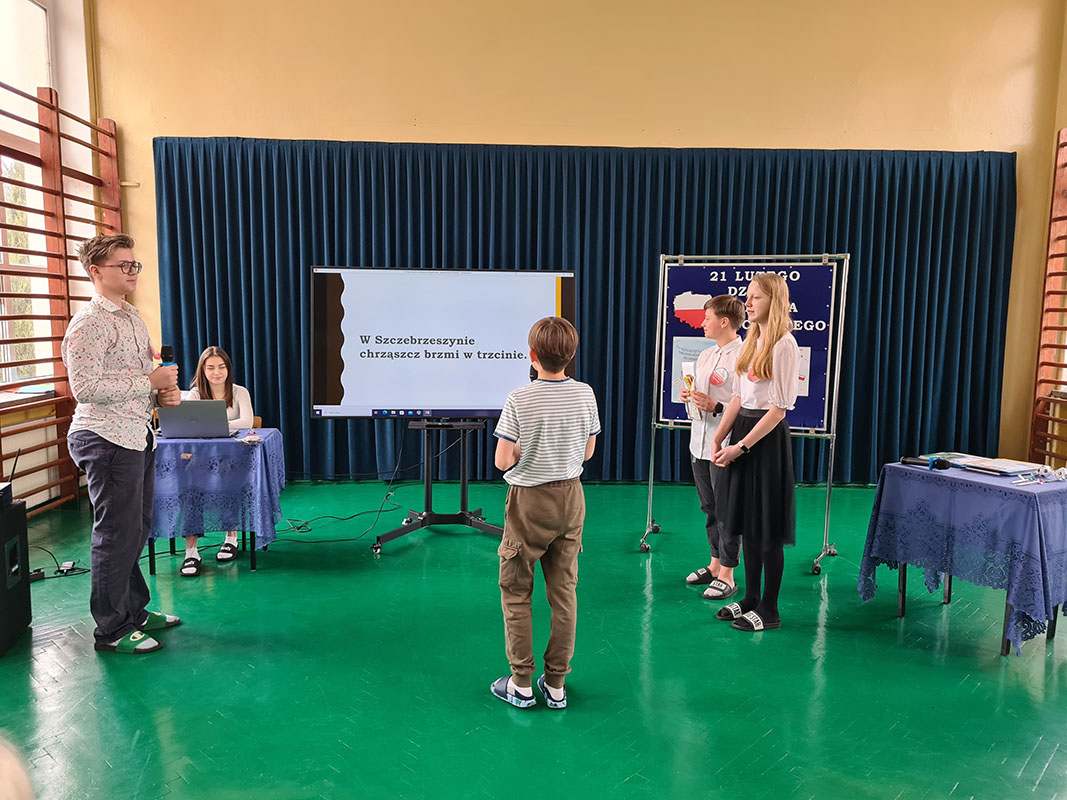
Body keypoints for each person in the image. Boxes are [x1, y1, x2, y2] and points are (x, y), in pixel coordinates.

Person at [62, 234, 182, 654]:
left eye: (135, 265)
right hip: (104, 436)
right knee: (115, 533)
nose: (133, 272)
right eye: (123, 265)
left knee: (136, 529)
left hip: (136, 434)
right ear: (96, 271)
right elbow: (85, 388)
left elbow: (139, 379)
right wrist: (148, 382)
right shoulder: (88, 323)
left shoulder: (132, 318)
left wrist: (161, 394)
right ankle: (111, 630)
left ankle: (134, 611)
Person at [490, 317, 600, 709]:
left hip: (528, 503)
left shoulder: (519, 398)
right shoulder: (585, 394)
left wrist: (527, 447)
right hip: (571, 499)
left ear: (532, 355)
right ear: (571, 355)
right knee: (564, 593)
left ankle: (520, 683)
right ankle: (556, 685)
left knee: (517, 592)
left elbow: (503, 461)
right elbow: (587, 452)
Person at [711, 272, 799, 632]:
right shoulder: (752, 341)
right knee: (747, 525)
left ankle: (770, 609)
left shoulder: (784, 344)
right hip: (742, 434)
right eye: (748, 296)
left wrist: (740, 446)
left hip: (765, 441)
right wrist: (720, 437)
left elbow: (778, 410)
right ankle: (750, 598)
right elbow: (737, 397)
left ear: (773, 302)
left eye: (755, 297)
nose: (747, 303)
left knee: (766, 529)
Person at [679, 295, 744, 600]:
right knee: (710, 508)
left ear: (724, 321)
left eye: (707, 318)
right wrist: (690, 397)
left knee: (727, 510)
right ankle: (715, 564)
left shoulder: (744, 356)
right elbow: (700, 398)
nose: (702, 323)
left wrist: (717, 406)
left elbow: (748, 405)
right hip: (699, 443)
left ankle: (728, 573)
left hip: (726, 445)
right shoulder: (706, 355)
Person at [179, 346, 255, 576]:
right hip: (202, 458)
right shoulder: (195, 394)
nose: (216, 372)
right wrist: (223, 424)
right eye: (210, 368)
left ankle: (231, 537)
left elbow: (248, 421)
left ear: (228, 369)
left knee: (228, 475)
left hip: (233, 457)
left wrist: (214, 423)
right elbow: (189, 424)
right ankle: (191, 552)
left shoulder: (240, 392)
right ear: (202, 370)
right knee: (189, 486)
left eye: (221, 367)